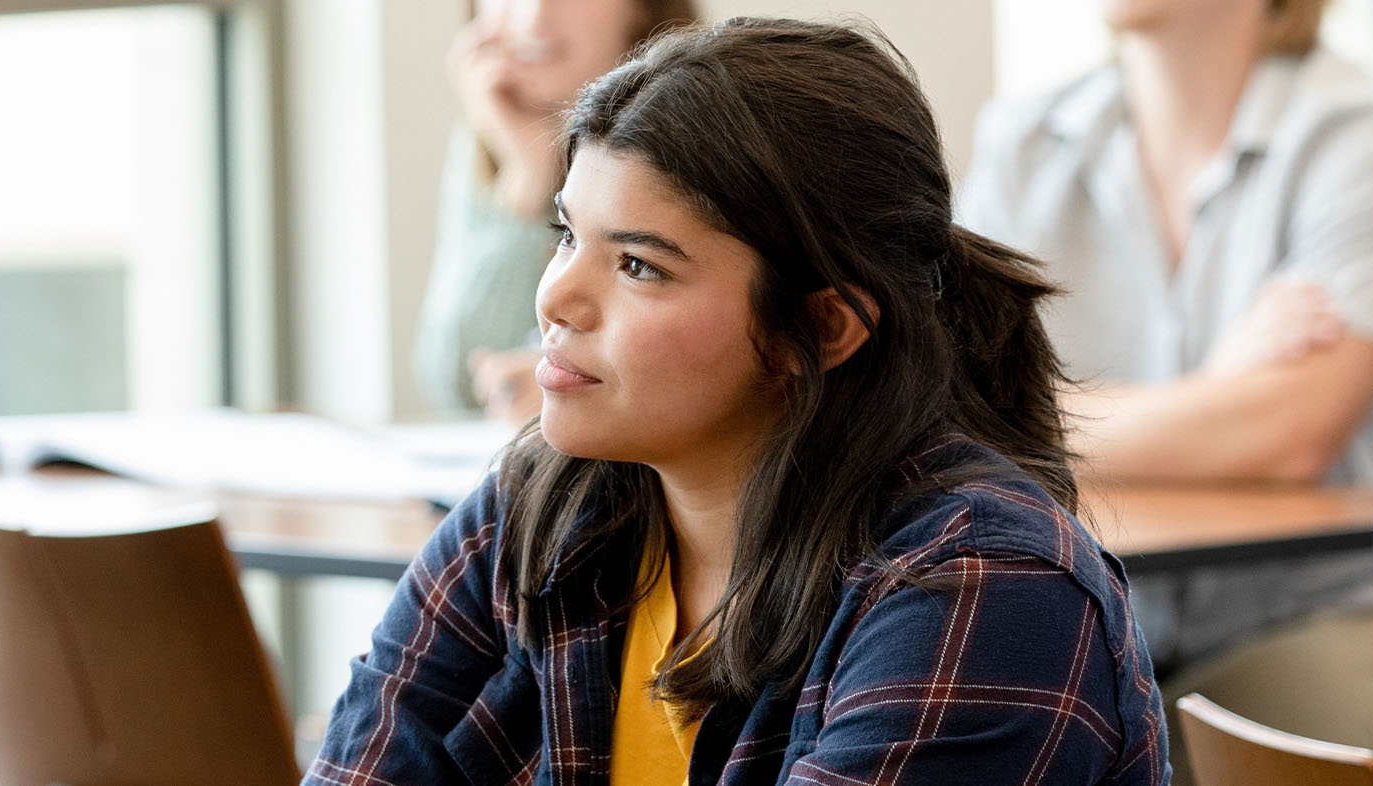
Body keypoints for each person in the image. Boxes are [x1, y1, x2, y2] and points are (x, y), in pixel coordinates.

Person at [310, 18, 1167, 786]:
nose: (557, 299)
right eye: (568, 235)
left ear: (824, 327)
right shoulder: (535, 510)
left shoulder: (983, 592)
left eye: (639, 265)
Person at [956, 0, 1373, 768]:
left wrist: (1024, 417)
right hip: (1110, 620)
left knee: (1197, 755)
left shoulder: (1372, 144)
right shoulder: (1023, 143)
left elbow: (1285, 434)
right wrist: (1216, 391)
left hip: (1355, 611)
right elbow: (950, 412)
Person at [422, 0, 694, 423]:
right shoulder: (496, 129)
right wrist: (526, 177)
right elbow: (459, 382)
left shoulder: (702, 143)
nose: (533, 17)